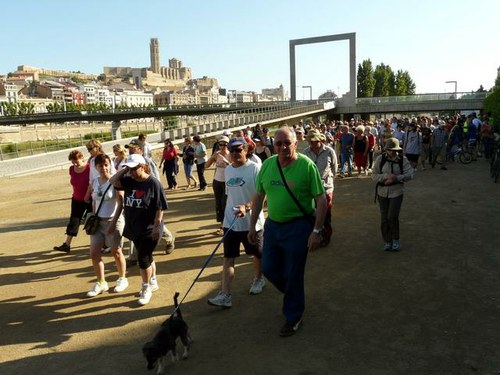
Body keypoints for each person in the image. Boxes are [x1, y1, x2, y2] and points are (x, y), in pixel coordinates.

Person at [248, 126, 327, 337]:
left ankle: (293, 316)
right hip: (273, 225)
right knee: (268, 267)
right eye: (279, 144)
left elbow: (321, 200)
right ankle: (294, 294)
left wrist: (316, 231)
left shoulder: (306, 166)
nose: (283, 147)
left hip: (299, 226)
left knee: (293, 272)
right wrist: (252, 224)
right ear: (273, 146)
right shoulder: (267, 165)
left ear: (295, 144)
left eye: (287, 143)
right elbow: (259, 197)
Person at [208, 137, 266, 308]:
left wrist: (247, 207)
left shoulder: (255, 168)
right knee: (228, 258)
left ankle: (258, 278)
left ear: (246, 149)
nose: (234, 153)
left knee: (257, 255)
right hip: (230, 222)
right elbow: (230, 195)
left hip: (252, 222)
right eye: (232, 150)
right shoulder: (228, 171)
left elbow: (263, 195)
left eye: (238, 150)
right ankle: (225, 294)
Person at [110, 154, 168, 305]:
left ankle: (146, 287)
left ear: (143, 166)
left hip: (149, 228)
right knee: (147, 256)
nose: (132, 172)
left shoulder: (153, 183)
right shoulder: (129, 180)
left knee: (143, 259)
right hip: (133, 226)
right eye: (130, 168)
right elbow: (112, 181)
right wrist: (125, 170)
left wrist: (156, 227)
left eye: (135, 168)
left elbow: (160, 207)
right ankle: (153, 280)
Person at [86, 153, 128, 297]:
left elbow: (121, 203)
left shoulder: (115, 181)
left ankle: (122, 278)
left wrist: (114, 223)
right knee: (94, 253)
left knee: (115, 251)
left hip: (113, 220)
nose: (103, 167)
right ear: (95, 167)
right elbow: (92, 201)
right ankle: (101, 282)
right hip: (98, 222)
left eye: (106, 164)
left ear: (110, 165)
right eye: (100, 165)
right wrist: (92, 217)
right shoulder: (94, 182)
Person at [372, 138, 414, 251]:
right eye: (389, 149)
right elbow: (374, 175)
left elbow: (410, 174)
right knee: (384, 218)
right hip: (382, 192)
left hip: (396, 191)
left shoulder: (402, 160)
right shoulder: (380, 159)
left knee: (392, 216)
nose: (392, 152)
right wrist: (386, 177)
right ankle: (387, 241)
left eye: (394, 150)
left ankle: (395, 239)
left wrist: (396, 178)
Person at [302, 129, 338, 247]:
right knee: (312, 213)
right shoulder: (305, 152)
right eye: (309, 141)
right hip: (311, 189)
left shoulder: (329, 151)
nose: (311, 144)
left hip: (326, 187)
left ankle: (326, 237)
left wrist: (328, 179)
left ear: (319, 140)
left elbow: (334, 168)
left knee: (326, 213)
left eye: (313, 141)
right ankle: (314, 236)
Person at [53, 150, 92, 253]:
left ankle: (100, 243)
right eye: (72, 162)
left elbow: (92, 183)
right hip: (76, 198)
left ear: (82, 158)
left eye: (76, 161)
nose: (75, 164)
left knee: (91, 221)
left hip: (89, 199)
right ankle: (67, 244)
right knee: (74, 221)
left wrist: (88, 196)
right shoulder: (71, 169)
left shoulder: (89, 168)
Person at [205, 135, 231, 235]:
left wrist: (226, 161)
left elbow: (234, 167)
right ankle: (222, 225)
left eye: (225, 144)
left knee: (225, 203)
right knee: (219, 204)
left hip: (227, 182)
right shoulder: (217, 155)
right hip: (217, 181)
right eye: (221, 144)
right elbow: (206, 166)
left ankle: (226, 225)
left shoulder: (231, 154)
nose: (223, 146)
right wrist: (213, 156)